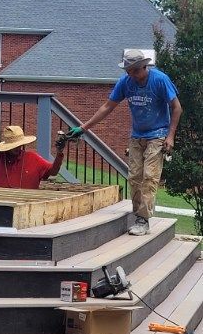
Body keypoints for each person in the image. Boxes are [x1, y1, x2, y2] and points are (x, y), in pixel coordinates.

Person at [66, 49, 182, 236]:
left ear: (144, 67)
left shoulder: (160, 80)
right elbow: (107, 107)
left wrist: (170, 136)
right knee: (134, 177)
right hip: (137, 135)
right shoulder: (125, 82)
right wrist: (83, 128)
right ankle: (138, 215)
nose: (131, 74)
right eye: (128, 71)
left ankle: (143, 220)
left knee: (149, 177)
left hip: (158, 134)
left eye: (135, 70)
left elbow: (177, 108)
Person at [0, 125, 65, 189]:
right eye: (14, 146)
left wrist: (59, 153)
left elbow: (53, 171)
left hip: (29, 203)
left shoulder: (33, 158)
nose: (17, 147)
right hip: (2, 203)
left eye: (19, 145)